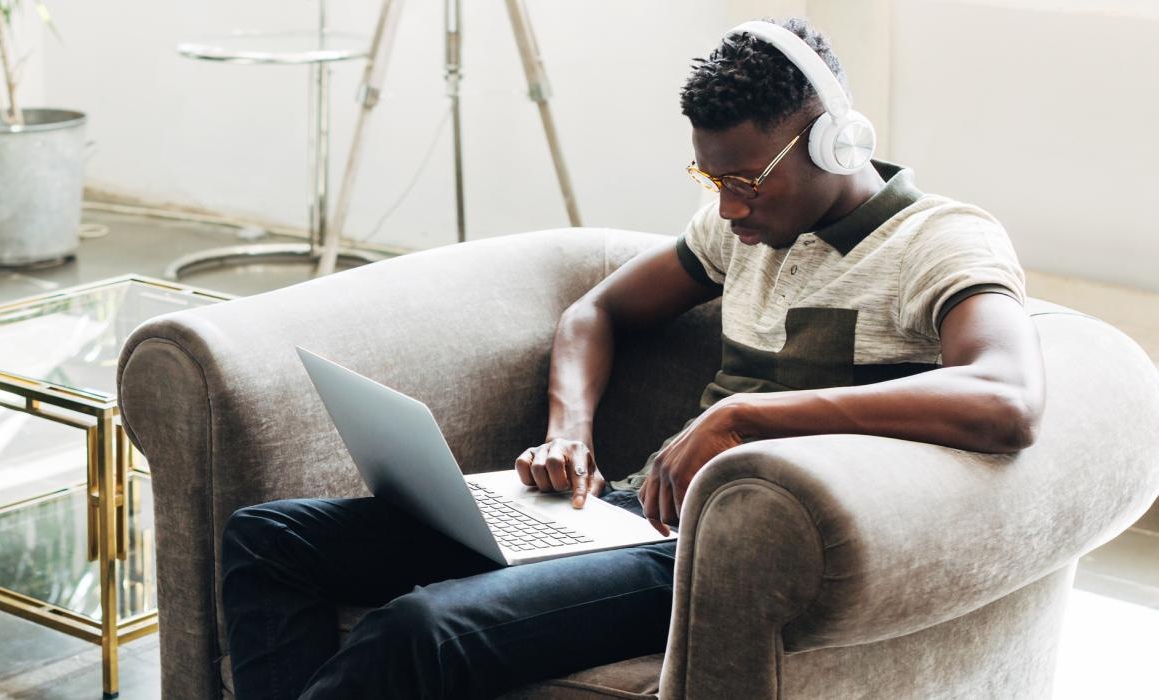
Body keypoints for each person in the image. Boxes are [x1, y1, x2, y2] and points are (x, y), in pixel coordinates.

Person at [218, 16, 1048, 700]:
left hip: (716, 551)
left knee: (425, 628)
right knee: (269, 538)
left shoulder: (938, 240)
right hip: (617, 512)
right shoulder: (739, 228)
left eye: (749, 180)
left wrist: (743, 414)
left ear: (833, 143)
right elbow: (596, 313)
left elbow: (1007, 399)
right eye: (711, 176)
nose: (728, 205)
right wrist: (568, 434)